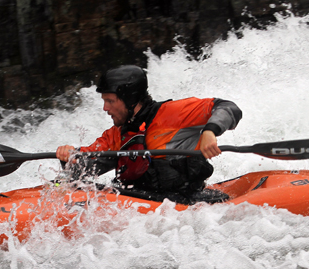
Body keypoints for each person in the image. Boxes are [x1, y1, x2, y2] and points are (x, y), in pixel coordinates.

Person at [56, 65, 242, 204]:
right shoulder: (115, 136)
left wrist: (210, 131)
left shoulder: (173, 114)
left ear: (130, 99)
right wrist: (69, 157)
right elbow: (83, 169)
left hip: (185, 204)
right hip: (139, 204)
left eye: (110, 101)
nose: (105, 108)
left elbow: (228, 108)